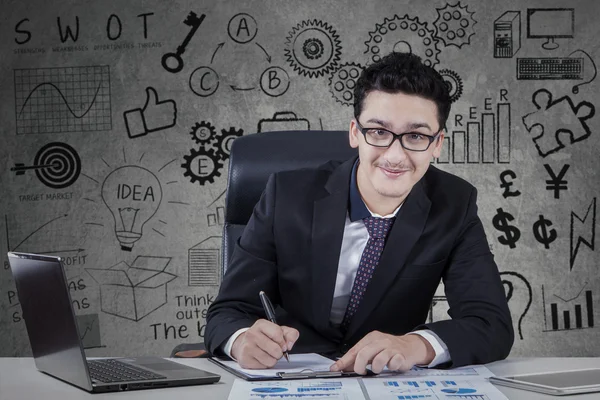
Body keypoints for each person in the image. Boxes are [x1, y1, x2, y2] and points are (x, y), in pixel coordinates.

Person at [205, 51, 514, 374]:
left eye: (416, 136)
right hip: (290, 375)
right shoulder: (286, 195)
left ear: (437, 143)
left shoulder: (455, 203)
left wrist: (415, 345)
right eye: (379, 132)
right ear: (355, 133)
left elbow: (491, 323)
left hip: (384, 379)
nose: (395, 155)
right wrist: (241, 341)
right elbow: (227, 312)